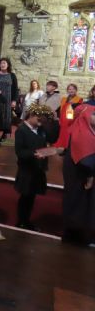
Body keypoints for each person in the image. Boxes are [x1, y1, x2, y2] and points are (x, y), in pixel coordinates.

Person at [14, 104, 54, 230]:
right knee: (26, 196)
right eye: (39, 119)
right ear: (31, 115)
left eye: (43, 121)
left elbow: (52, 137)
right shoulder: (22, 130)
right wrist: (34, 154)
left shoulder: (40, 129)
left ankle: (26, 220)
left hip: (38, 168)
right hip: (27, 169)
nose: (41, 123)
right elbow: (20, 152)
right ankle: (22, 221)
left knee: (31, 196)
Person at [62, 104, 95, 245]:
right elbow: (85, 159)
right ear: (85, 116)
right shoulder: (83, 132)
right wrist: (91, 175)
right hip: (80, 176)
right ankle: (76, 236)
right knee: (78, 205)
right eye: (94, 114)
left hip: (80, 173)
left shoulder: (84, 129)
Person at [0, 57, 18, 140]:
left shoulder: (12, 75)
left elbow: (15, 89)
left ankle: (4, 133)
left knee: (6, 116)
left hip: (8, 99)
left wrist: (14, 100)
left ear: (8, 65)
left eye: (4, 63)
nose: (2, 65)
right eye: (1, 63)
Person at [54, 84, 83, 149]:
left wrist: (74, 104)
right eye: (69, 89)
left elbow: (79, 110)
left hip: (71, 119)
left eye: (73, 89)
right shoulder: (64, 99)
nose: (71, 90)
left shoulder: (79, 99)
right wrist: (59, 117)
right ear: (67, 90)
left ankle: (67, 146)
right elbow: (60, 109)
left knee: (69, 133)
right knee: (62, 132)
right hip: (63, 119)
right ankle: (62, 144)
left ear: (76, 90)